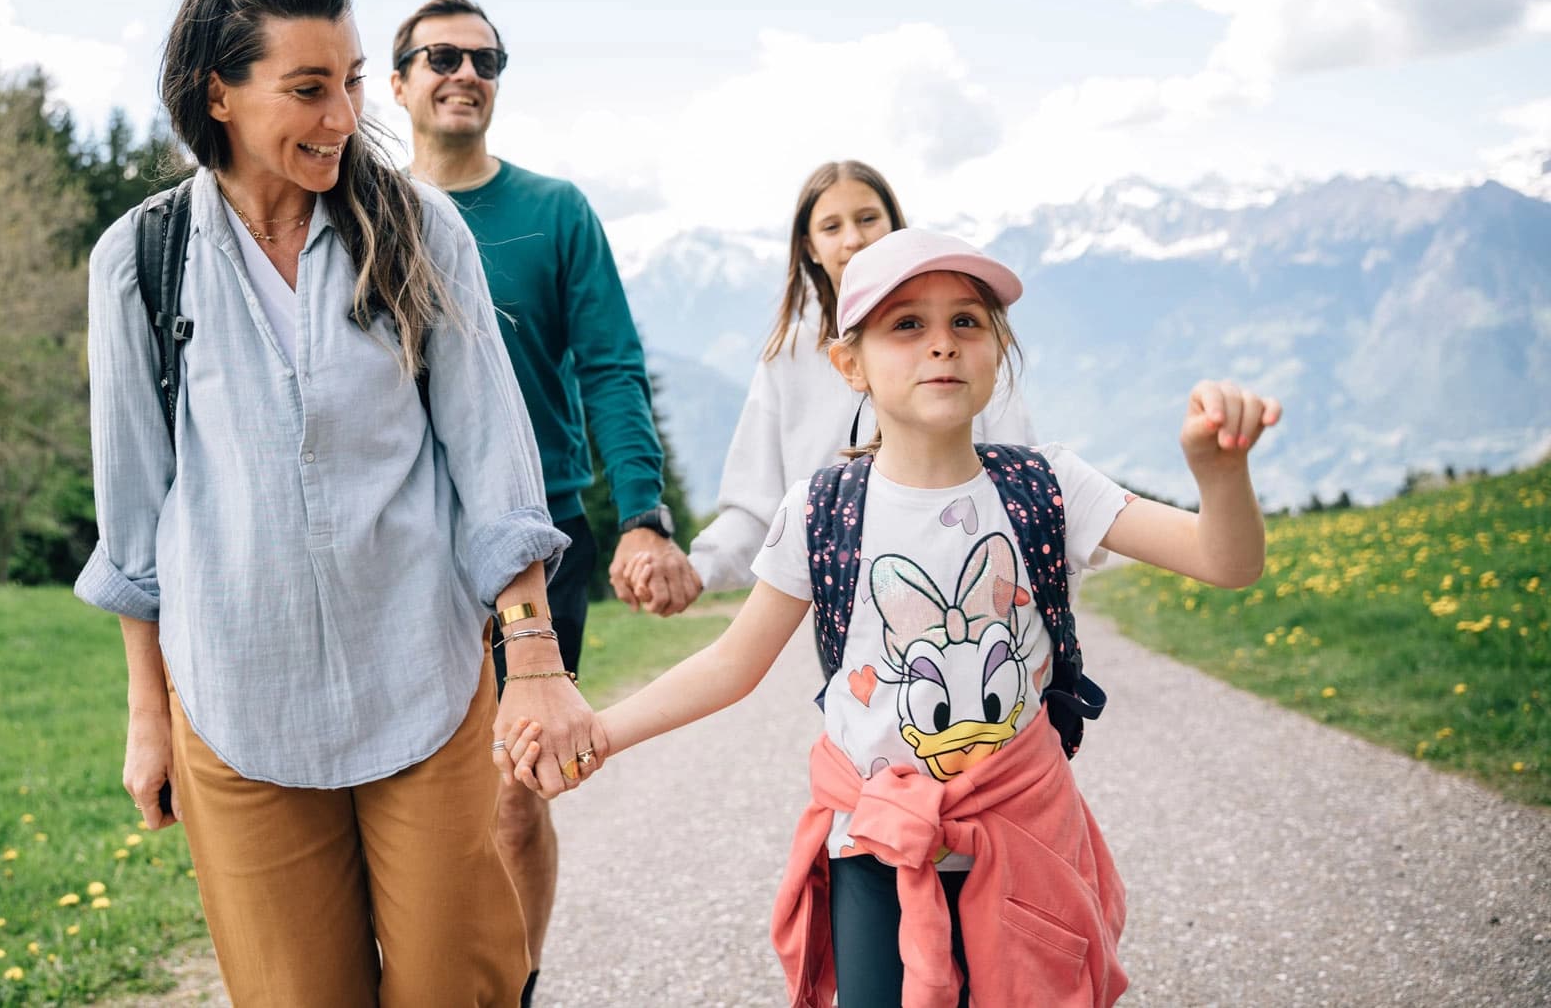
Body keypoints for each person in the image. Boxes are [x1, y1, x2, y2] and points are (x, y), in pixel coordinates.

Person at [505, 228, 1281, 1007]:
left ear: (998, 351)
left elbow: (1226, 561)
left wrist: (1221, 475)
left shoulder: (1050, 486)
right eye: (907, 325)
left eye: (967, 322)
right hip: (874, 848)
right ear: (850, 365)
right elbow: (730, 664)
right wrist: (602, 733)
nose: (941, 345)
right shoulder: (820, 511)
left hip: (1024, 842)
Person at [76, 0, 604, 1008]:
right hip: (236, 700)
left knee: (459, 986)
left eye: (353, 80)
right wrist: (148, 714)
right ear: (216, 91)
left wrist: (535, 655)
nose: (340, 115)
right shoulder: (139, 260)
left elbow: (493, 461)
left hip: (421, 678)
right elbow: (133, 517)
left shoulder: (416, 227)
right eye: (307, 88)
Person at [392, 0, 694, 1004]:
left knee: (520, 788)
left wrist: (642, 514)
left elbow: (610, 365)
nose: (463, 72)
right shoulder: (364, 211)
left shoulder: (553, 211)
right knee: (410, 793)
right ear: (396, 83)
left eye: (485, 59)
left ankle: (512, 988)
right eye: (439, 55)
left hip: (539, 532)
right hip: (396, 543)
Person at [615, 160, 1036, 614]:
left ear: (896, 226)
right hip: (848, 615)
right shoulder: (788, 357)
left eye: (868, 218)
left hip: (974, 590)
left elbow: (1025, 484)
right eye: (832, 226)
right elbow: (758, 510)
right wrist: (695, 570)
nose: (853, 238)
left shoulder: (955, 342)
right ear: (810, 247)